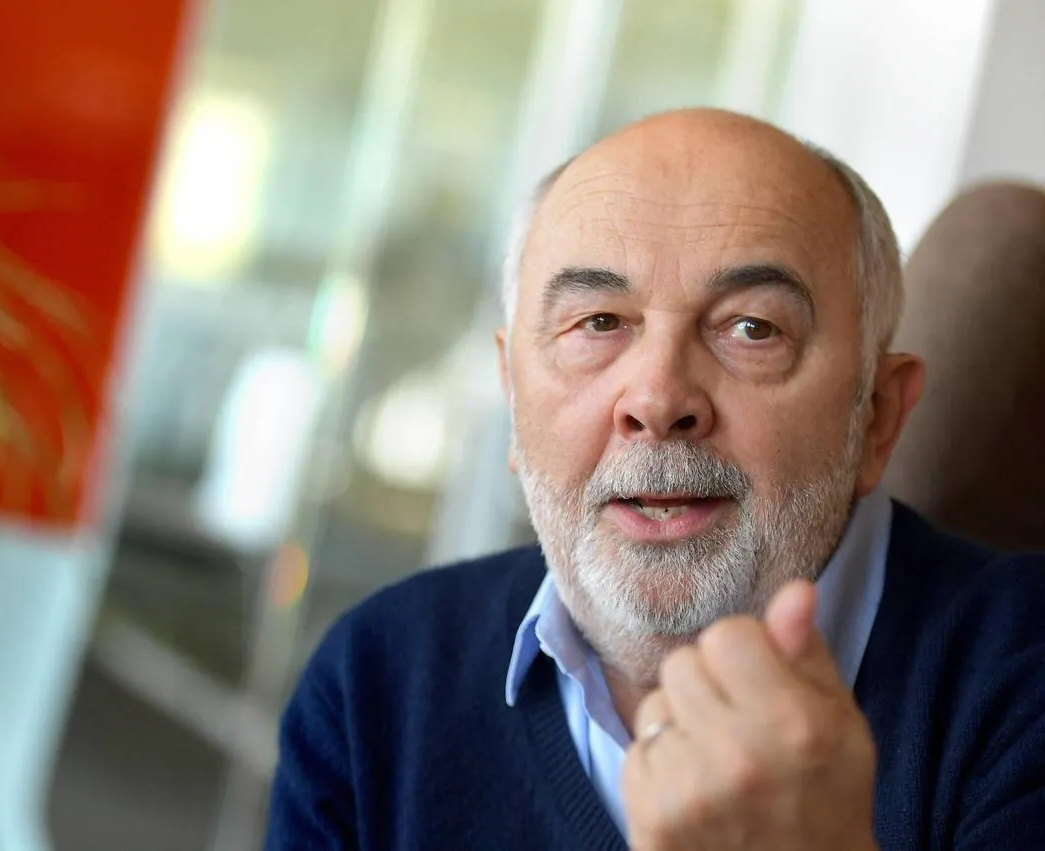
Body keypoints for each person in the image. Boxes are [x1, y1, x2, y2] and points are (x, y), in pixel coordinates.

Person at [264, 108, 1045, 850]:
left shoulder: (1024, 679)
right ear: (512, 397)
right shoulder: (376, 680)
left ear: (876, 414)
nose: (659, 399)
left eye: (752, 328)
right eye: (599, 323)